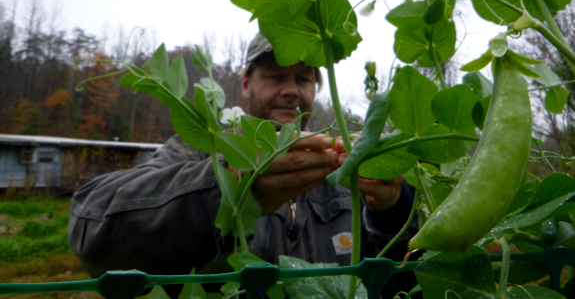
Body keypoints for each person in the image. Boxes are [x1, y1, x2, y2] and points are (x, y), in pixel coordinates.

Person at [68, 33, 419, 298]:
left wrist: (393, 208)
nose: (291, 91)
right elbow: (92, 233)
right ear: (247, 84)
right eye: (275, 77)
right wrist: (224, 187)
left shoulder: (343, 160)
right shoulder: (204, 149)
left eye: (303, 78)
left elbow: (404, 280)